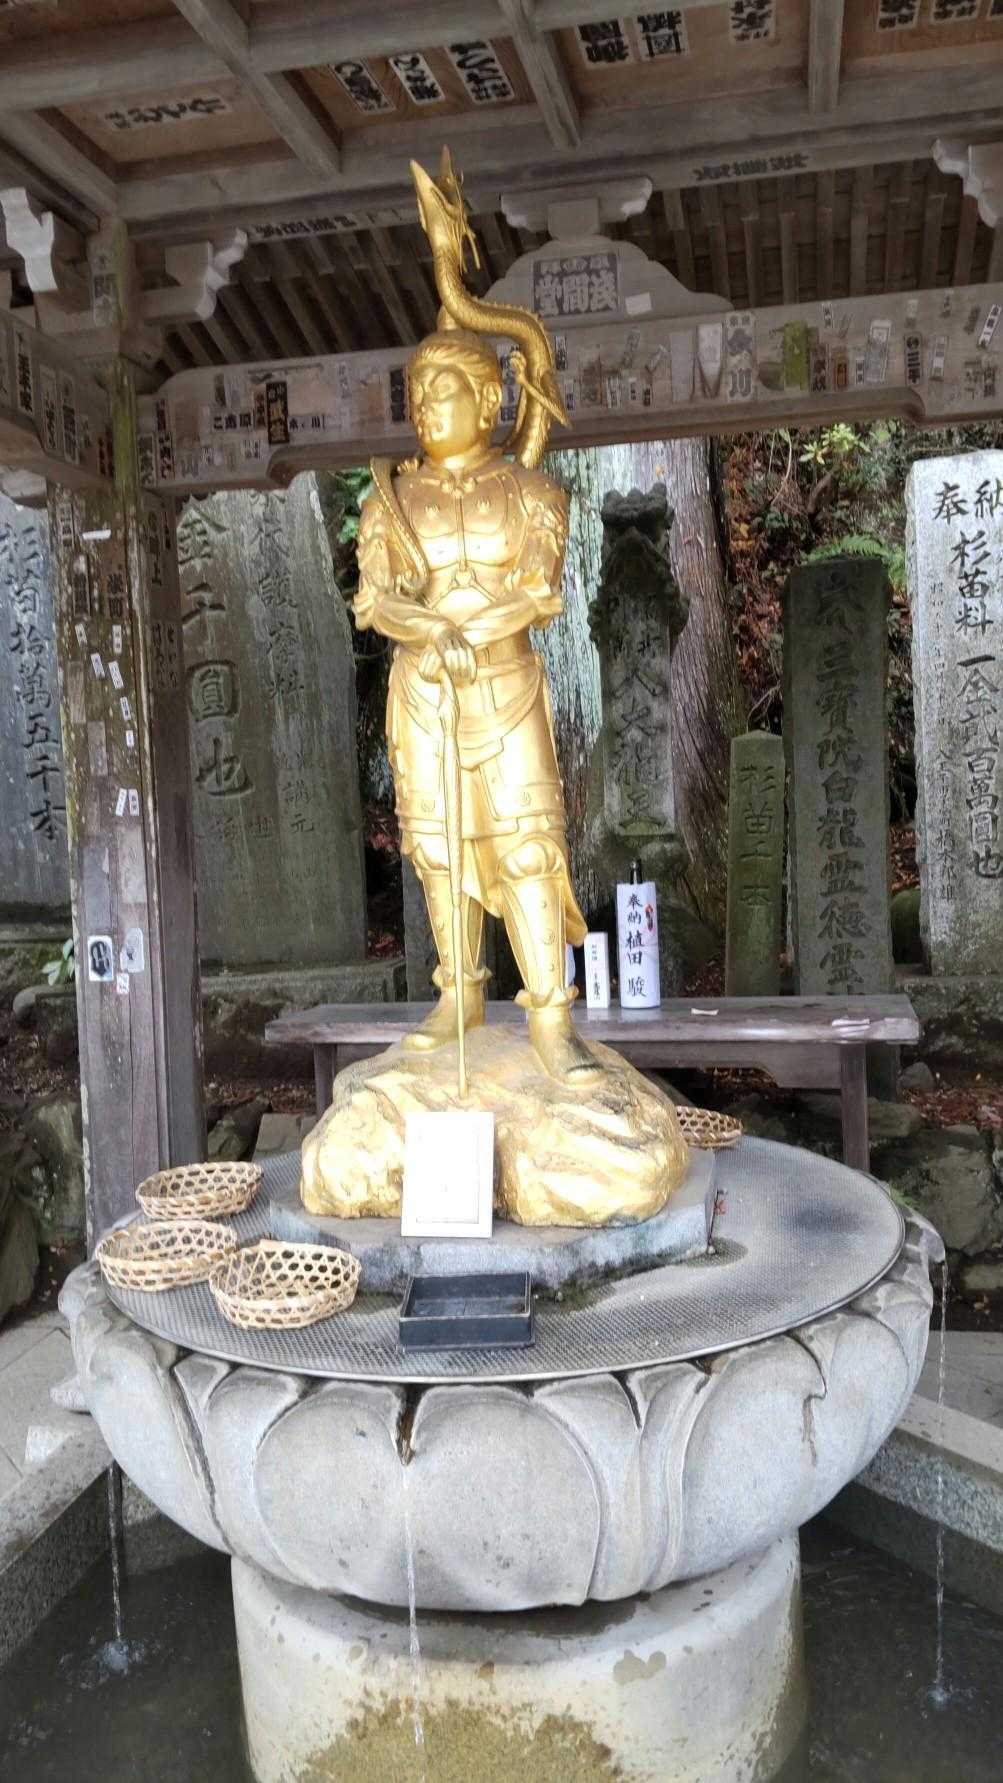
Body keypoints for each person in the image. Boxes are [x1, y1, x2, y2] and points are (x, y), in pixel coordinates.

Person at [354, 325, 600, 1086]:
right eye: (417, 396)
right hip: (425, 693)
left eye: (443, 392)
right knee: (436, 848)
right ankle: (457, 993)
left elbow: (539, 591)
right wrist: (431, 629)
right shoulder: (389, 501)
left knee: (529, 847)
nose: (425, 408)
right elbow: (375, 600)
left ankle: (551, 1015)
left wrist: (474, 631)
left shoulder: (533, 493)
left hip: (506, 688)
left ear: (490, 400)